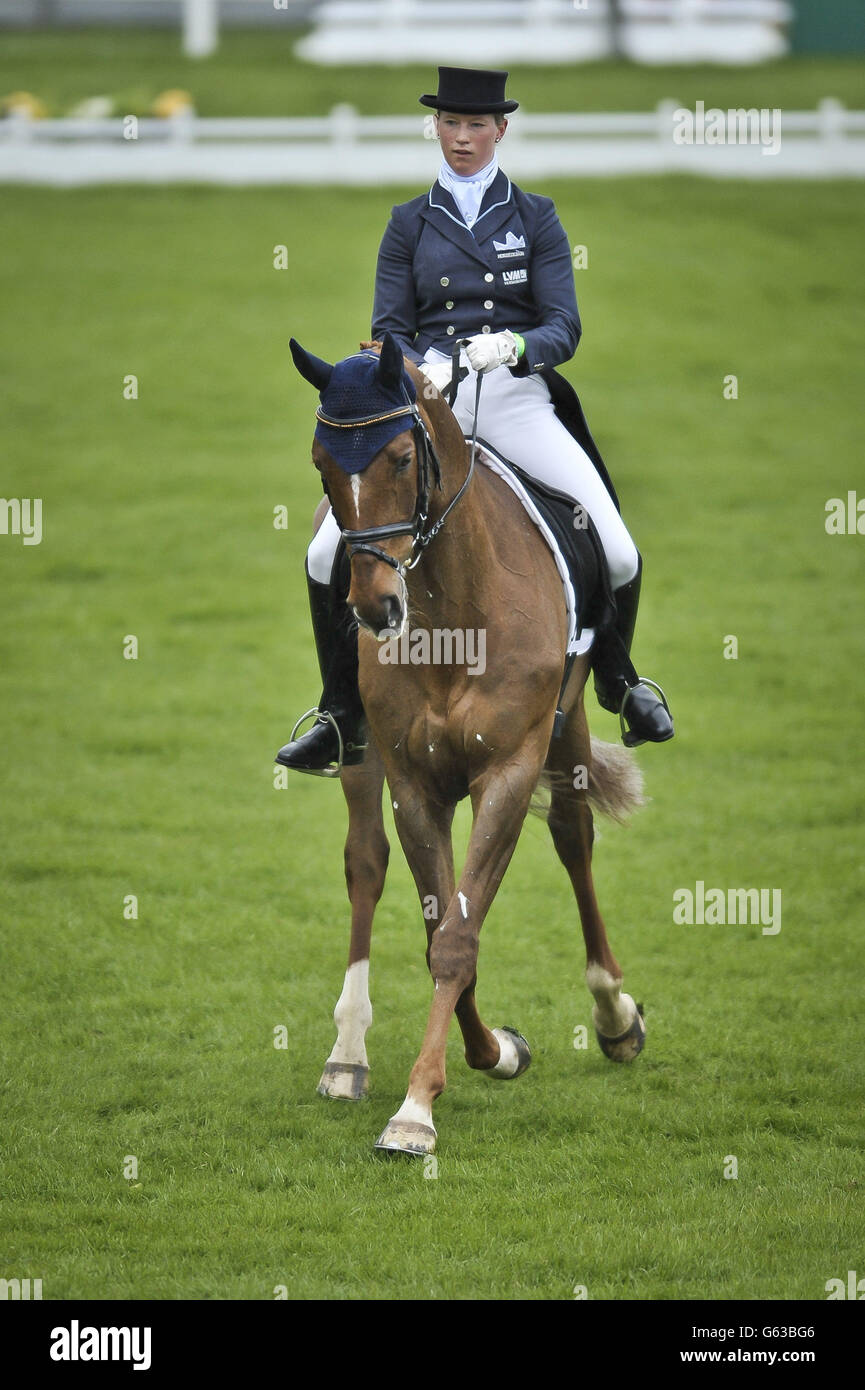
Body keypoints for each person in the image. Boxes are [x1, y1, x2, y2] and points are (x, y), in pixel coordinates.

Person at [276, 65, 673, 774]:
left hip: (518, 400)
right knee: (316, 552)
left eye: (475, 126)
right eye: (450, 124)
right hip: (434, 401)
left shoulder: (536, 217)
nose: (461, 138)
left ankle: (621, 682)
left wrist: (512, 346)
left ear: (500, 131)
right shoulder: (407, 223)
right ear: (436, 127)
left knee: (615, 548)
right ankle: (340, 715)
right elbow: (386, 328)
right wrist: (424, 364)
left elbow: (563, 327)